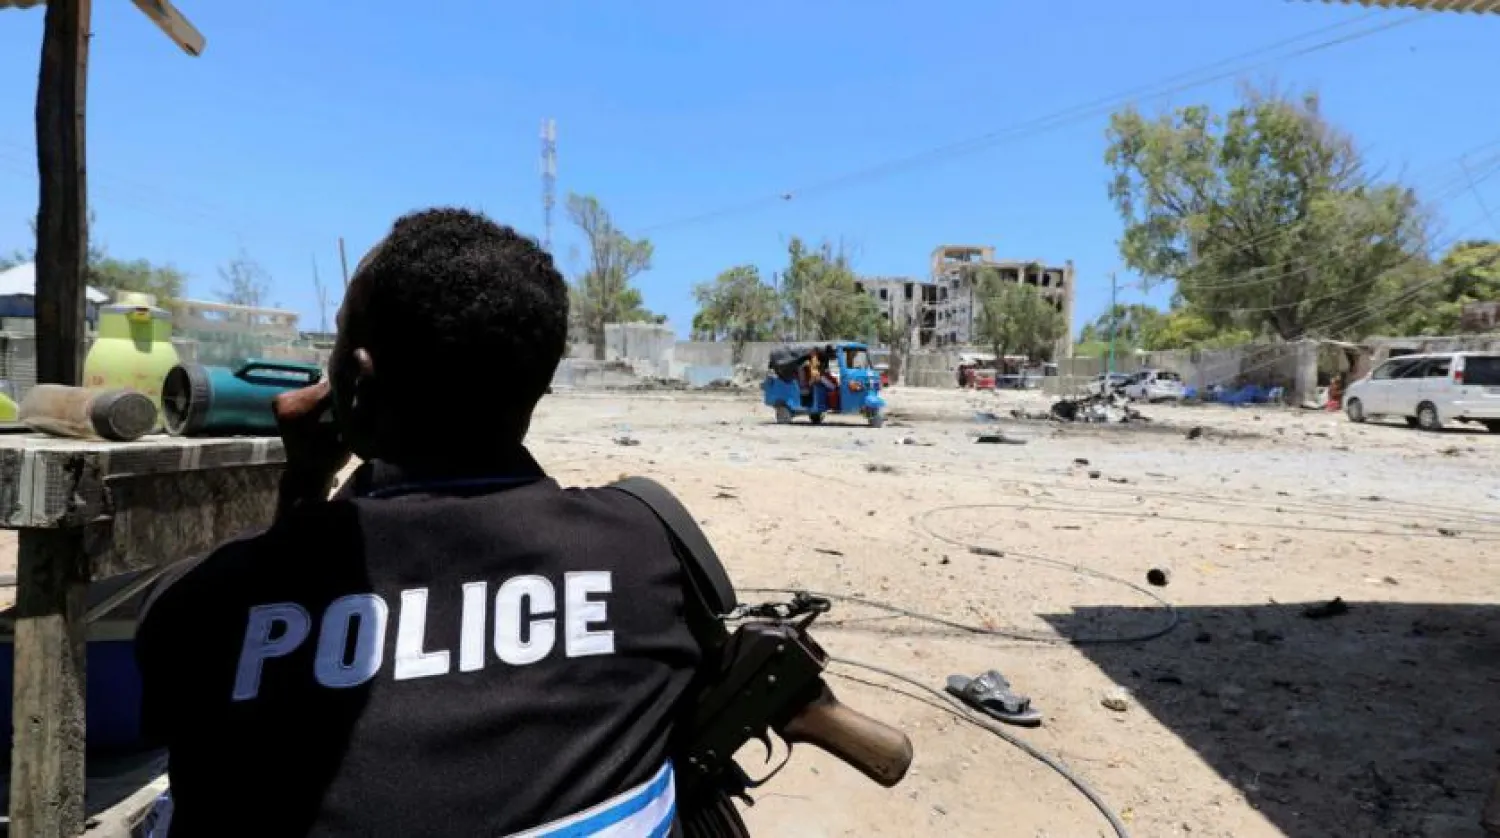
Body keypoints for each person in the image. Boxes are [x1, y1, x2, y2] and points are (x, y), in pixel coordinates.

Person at [134, 209, 706, 837]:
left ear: (357, 381)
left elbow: (211, 691)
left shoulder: (203, 604)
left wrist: (304, 484)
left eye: (337, 340)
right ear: (539, 380)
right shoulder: (643, 548)